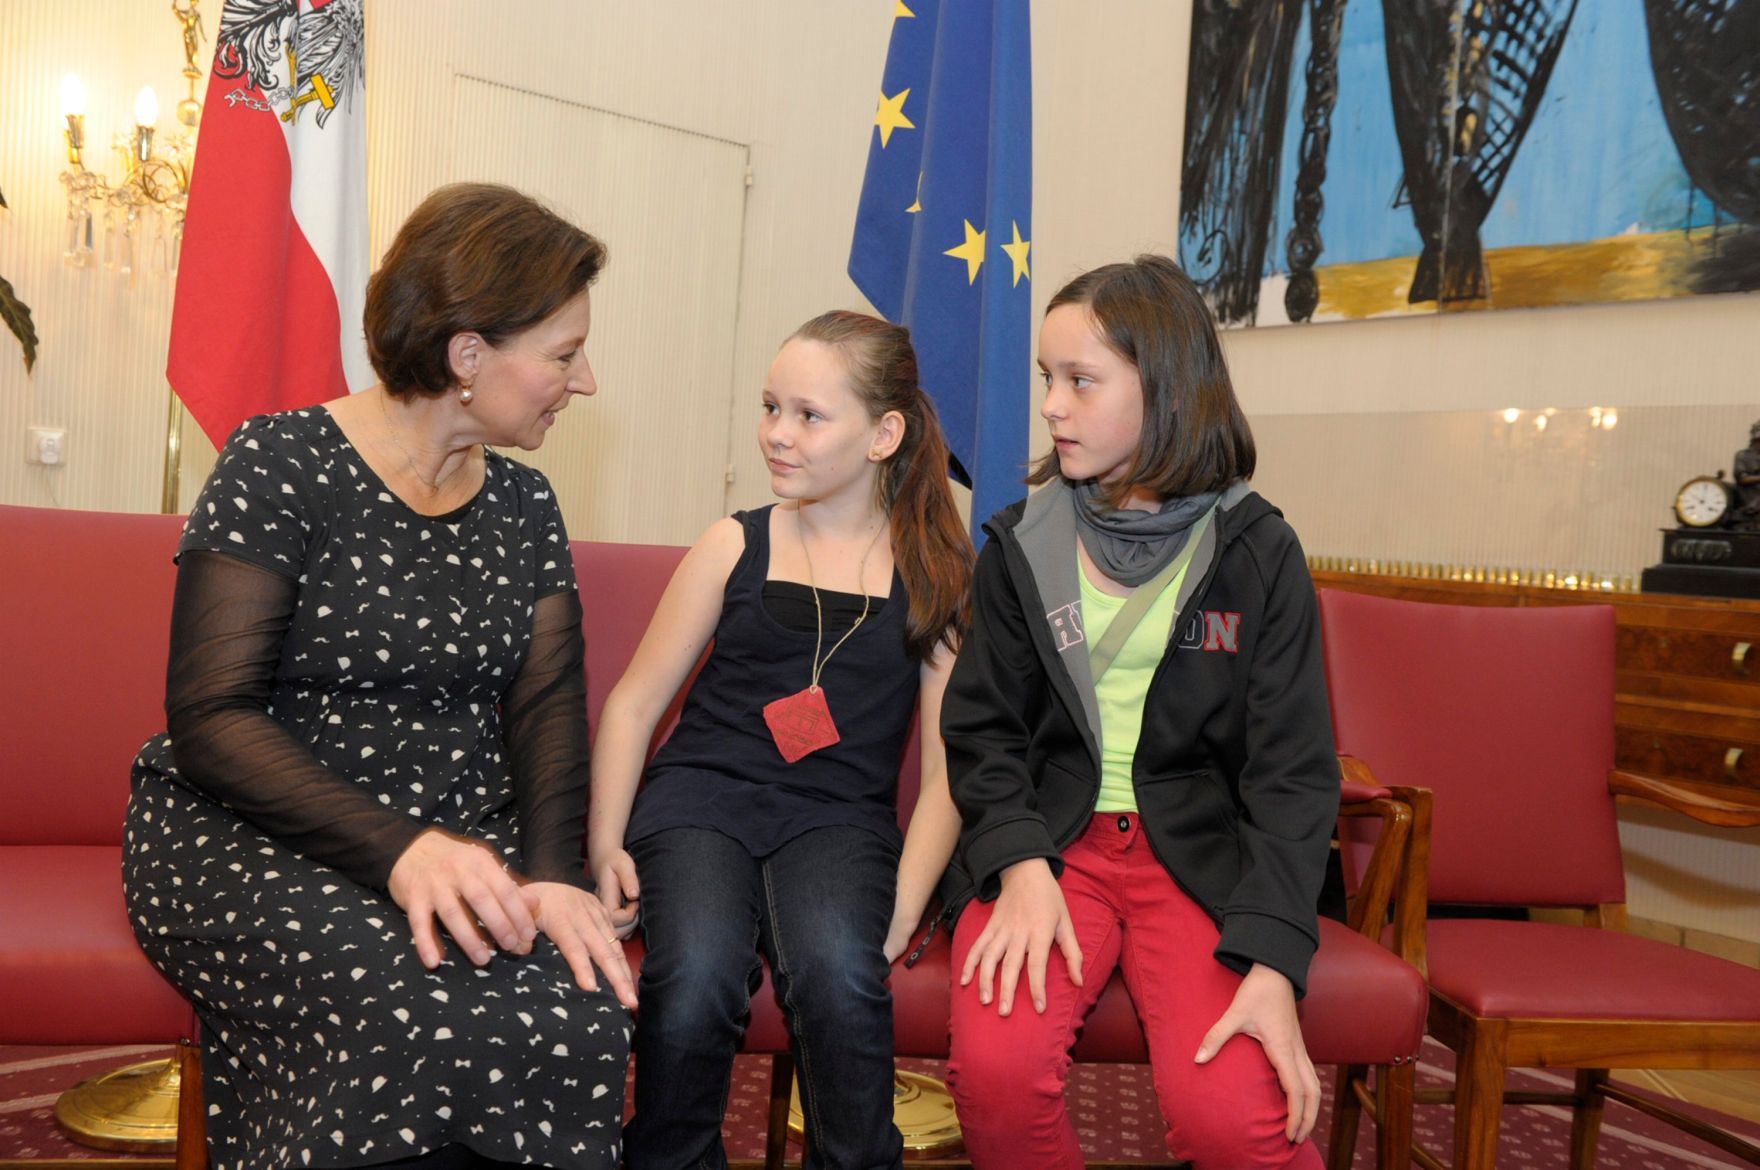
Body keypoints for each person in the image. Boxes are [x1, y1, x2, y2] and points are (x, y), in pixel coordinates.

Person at [123, 183, 637, 1170]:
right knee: (396, 1003)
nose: (584, 382)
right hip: (257, 828)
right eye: (565, 355)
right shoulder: (278, 462)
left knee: (573, 1012)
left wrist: (551, 874)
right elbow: (211, 718)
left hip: (454, 827)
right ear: (469, 355)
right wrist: (403, 852)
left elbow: (544, 710)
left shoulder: (525, 504)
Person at [939, 255, 1338, 1170]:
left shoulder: (1258, 548)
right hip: (1053, 845)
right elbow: (983, 731)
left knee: (1233, 1125)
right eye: (1047, 379)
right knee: (996, 1083)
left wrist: (1274, 964)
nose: (1051, 405)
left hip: (1198, 860)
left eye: (1081, 381)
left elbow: (1293, 773)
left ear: (1166, 391)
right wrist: (1020, 866)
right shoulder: (1018, 541)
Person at [588, 311, 972, 1170]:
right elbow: (632, 707)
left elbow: (950, 773)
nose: (776, 434)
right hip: (699, 805)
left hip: (838, 819)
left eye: (807, 415)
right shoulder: (734, 543)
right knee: (694, 980)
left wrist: (908, 899)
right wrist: (606, 845)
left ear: (884, 434)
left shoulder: (938, 578)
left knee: (840, 979)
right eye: (770, 407)